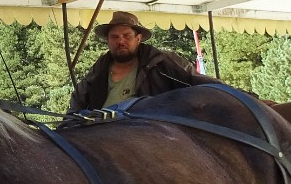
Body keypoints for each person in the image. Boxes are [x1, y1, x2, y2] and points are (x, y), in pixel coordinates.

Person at [68, 10, 215, 112]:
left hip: (148, 136)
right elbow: (78, 99)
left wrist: (232, 95)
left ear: (138, 39)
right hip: (102, 133)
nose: (121, 41)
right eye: (114, 37)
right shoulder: (100, 67)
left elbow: (199, 81)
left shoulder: (160, 61)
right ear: (108, 40)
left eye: (127, 36)